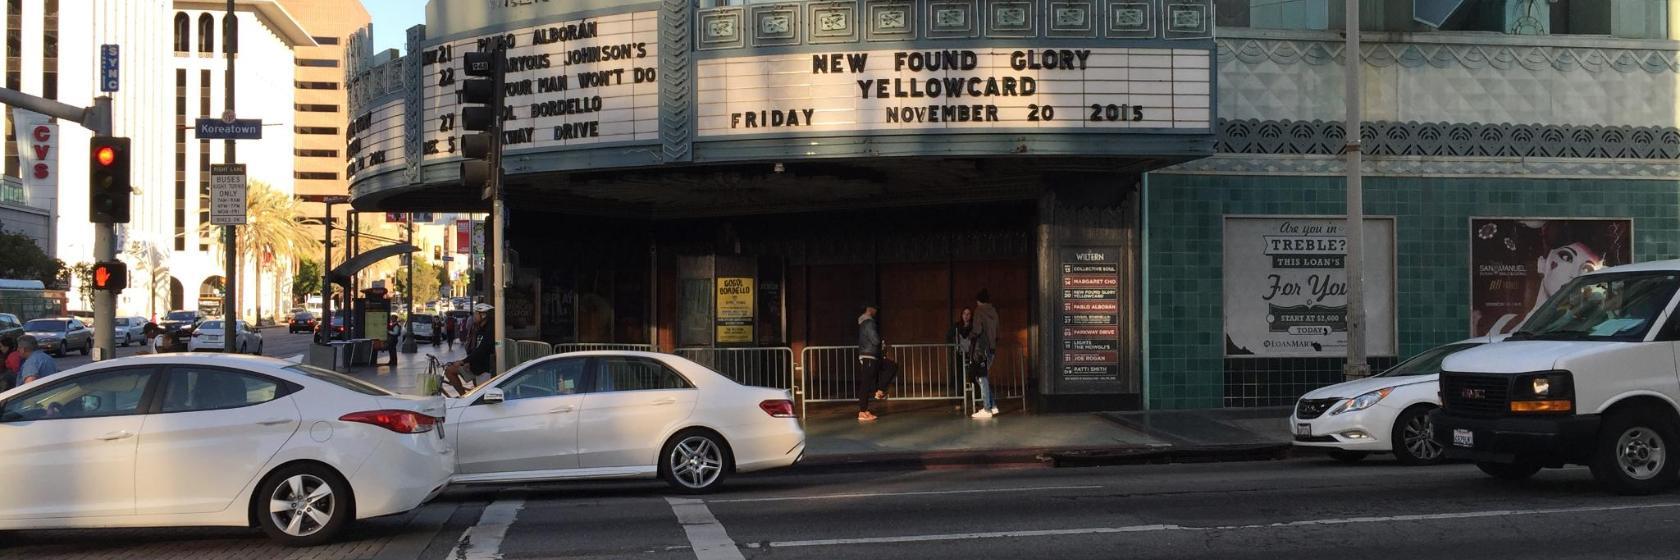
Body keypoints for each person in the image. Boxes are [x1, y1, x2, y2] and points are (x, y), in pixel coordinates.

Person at [856, 304, 898, 422]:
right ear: (870, 309)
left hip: (872, 356)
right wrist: (881, 342)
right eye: (874, 309)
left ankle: (880, 391)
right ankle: (863, 412)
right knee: (866, 383)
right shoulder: (869, 322)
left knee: (891, 366)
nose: (876, 311)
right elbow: (875, 340)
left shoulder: (864, 322)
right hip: (869, 356)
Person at [444, 304, 496, 395]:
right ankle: (463, 396)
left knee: (481, 395)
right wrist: (467, 361)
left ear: (483, 315)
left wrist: (463, 361)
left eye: (476, 313)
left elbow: (481, 350)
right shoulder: (478, 327)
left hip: (483, 368)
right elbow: (474, 348)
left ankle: (465, 397)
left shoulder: (489, 330)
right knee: (449, 370)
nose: (474, 316)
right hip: (474, 365)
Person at [971, 289, 1000, 419]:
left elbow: (977, 330)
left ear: (978, 301)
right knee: (984, 377)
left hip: (982, 349)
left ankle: (987, 408)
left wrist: (969, 338)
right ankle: (993, 406)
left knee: (981, 378)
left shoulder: (979, 311)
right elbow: (997, 332)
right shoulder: (994, 311)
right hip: (992, 348)